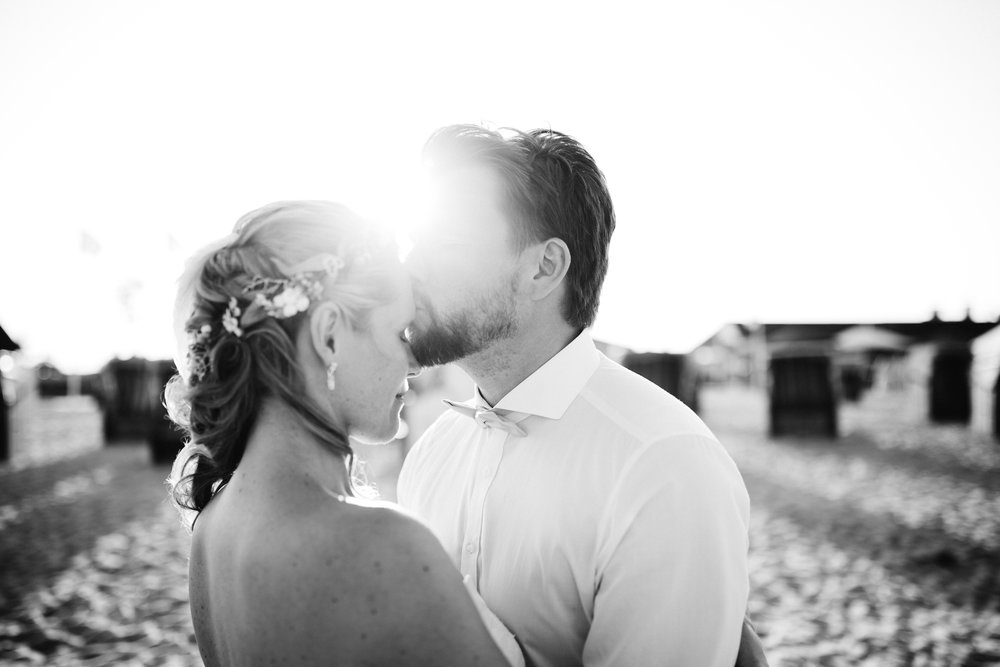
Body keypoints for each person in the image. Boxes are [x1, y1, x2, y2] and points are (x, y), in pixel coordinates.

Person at [398, 125, 766, 666]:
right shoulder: (430, 455)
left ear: (543, 268)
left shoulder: (662, 463)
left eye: (447, 245)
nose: (412, 267)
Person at [166, 201, 524, 666]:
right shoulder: (384, 547)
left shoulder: (211, 532)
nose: (415, 362)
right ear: (329, 335)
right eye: (400, 333)